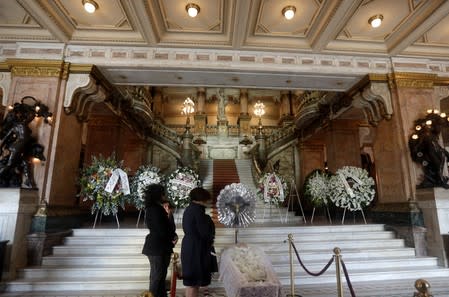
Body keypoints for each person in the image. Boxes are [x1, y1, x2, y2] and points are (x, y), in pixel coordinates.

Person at [141, 184, 178, 297]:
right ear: (158, 195)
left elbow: (168, 227)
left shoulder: (156, 208)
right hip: (157, 247)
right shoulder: (154, 209)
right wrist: (171, 238)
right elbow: (161, 230)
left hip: (160, 246)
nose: (164, 196)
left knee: (160, 276)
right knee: (157, 278)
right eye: (163, 193)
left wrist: (169, 214)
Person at [181, 187, 218, 297]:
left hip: (189, 245)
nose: (207, 201)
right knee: (194, 282)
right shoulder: (198, 210)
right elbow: (205, 232)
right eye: (206, 198)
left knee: (192, 283)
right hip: (196, 248)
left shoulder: (189, 209)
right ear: (201, 198)